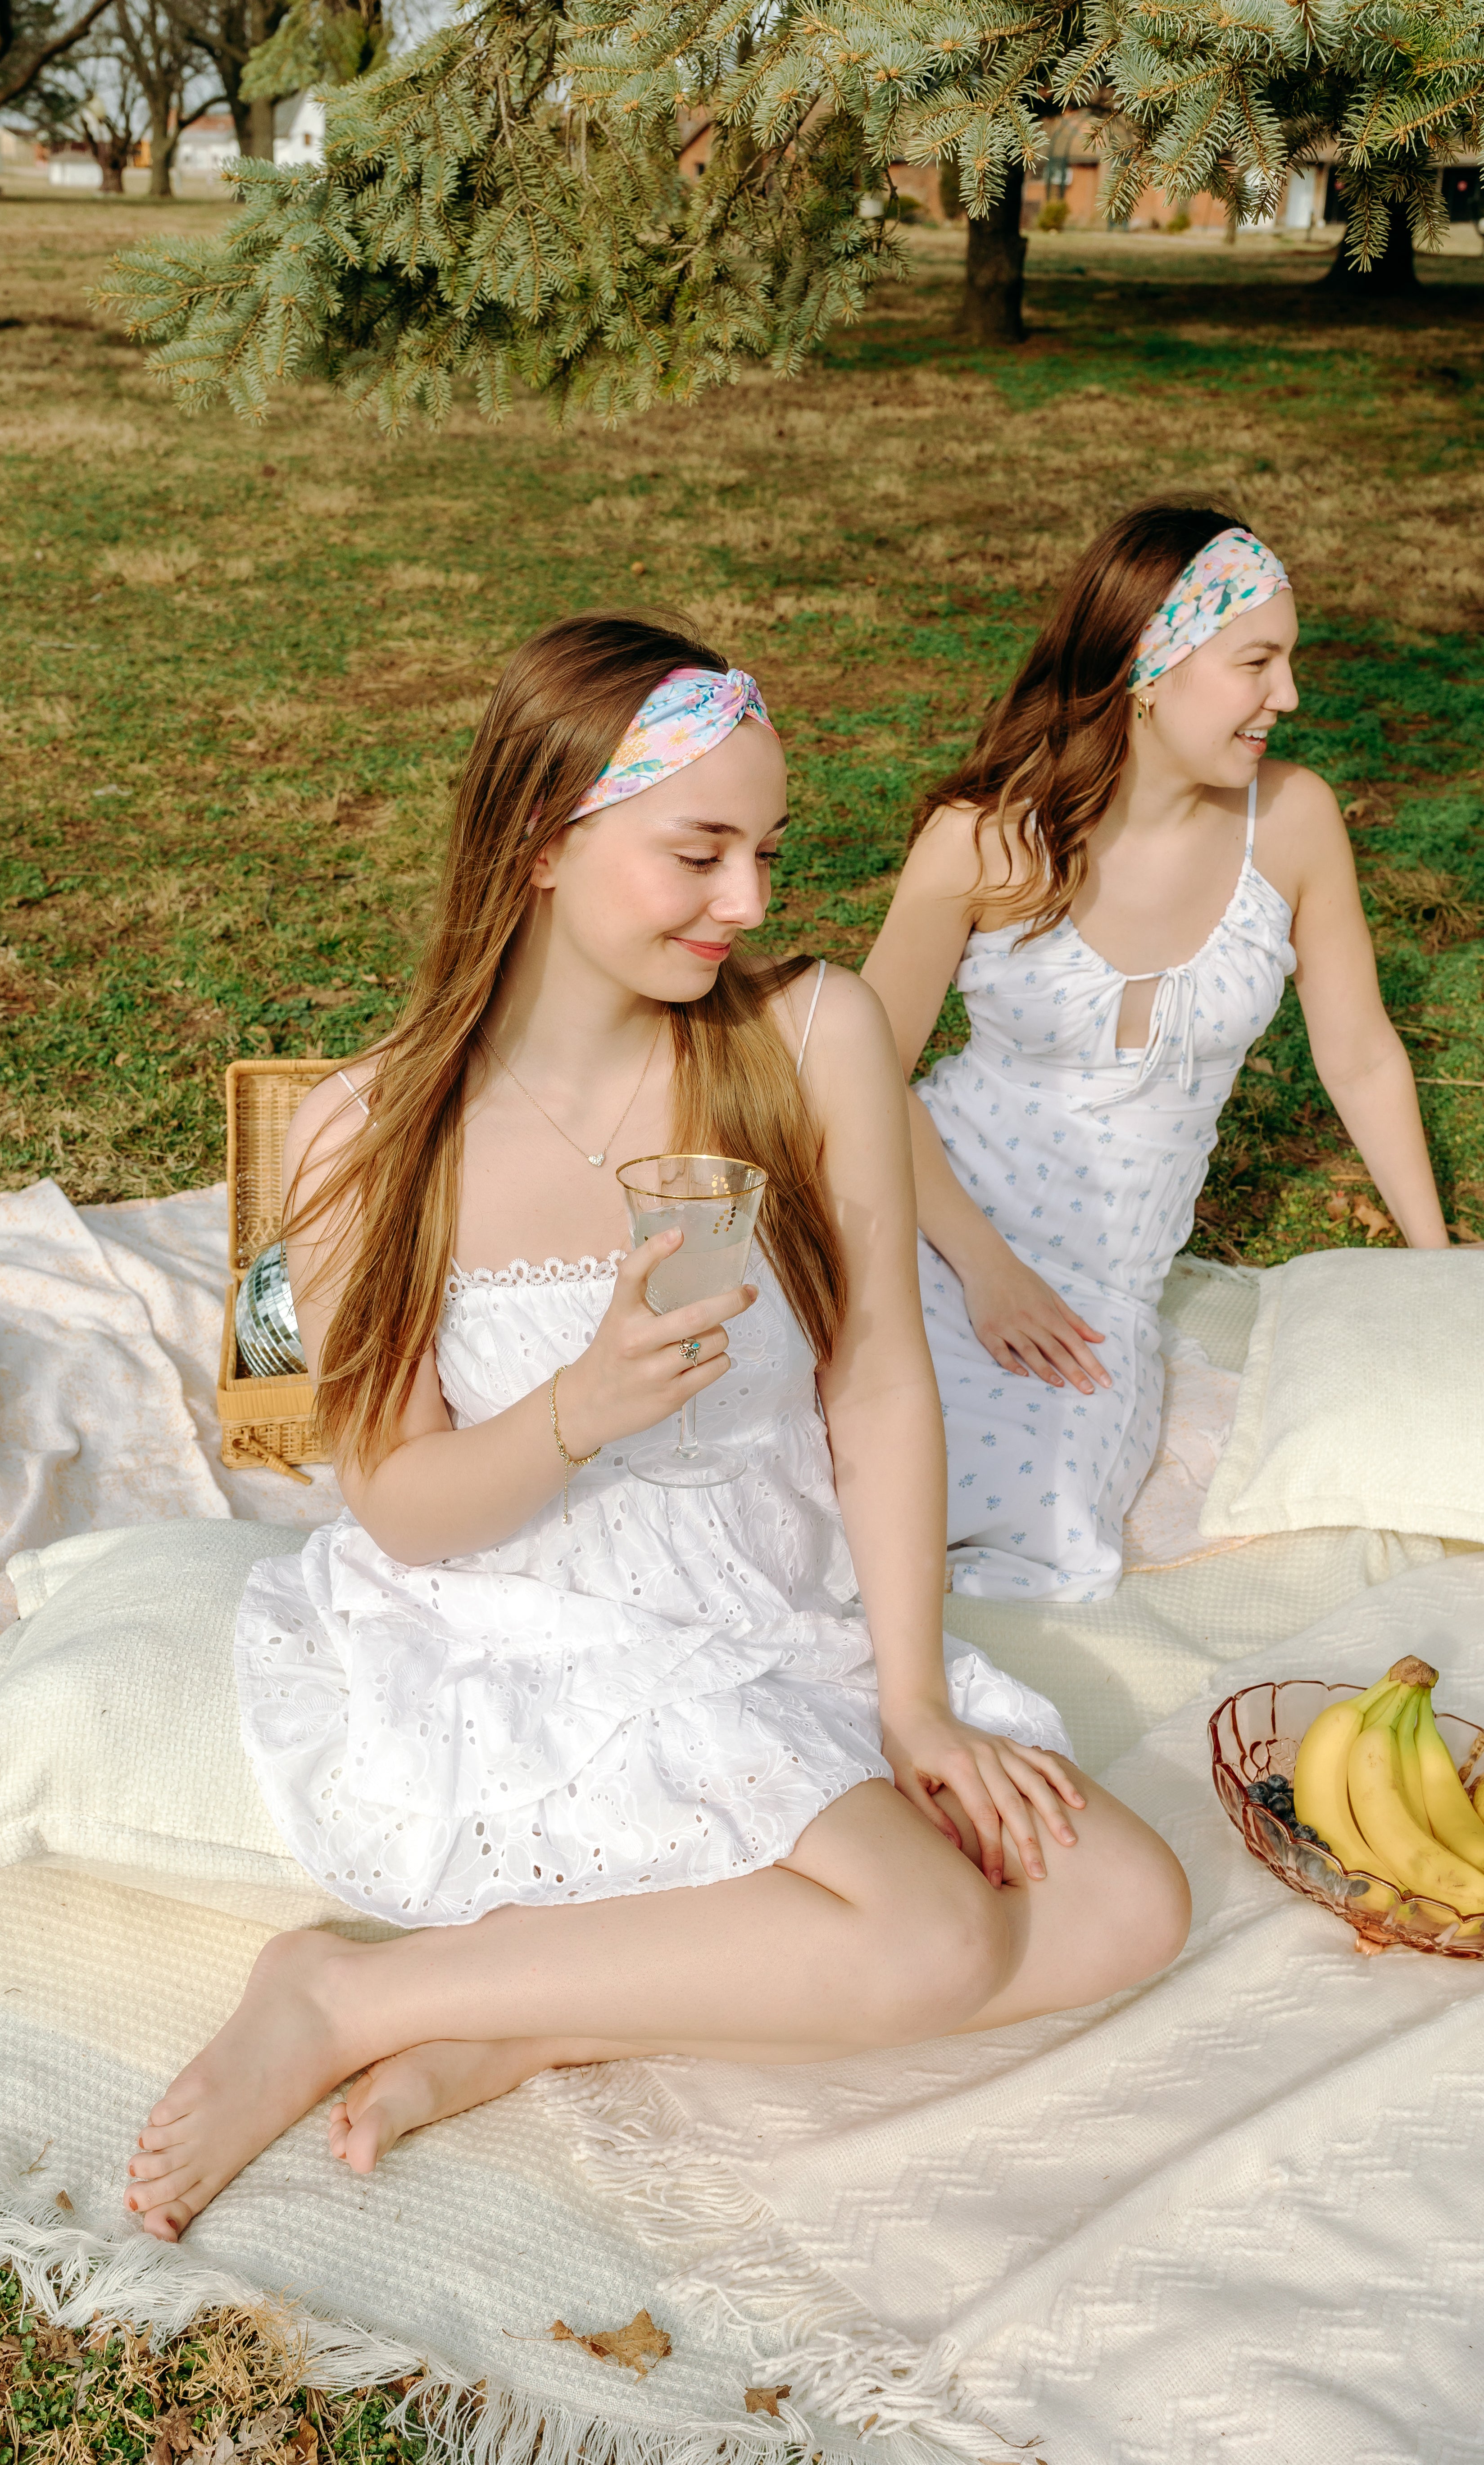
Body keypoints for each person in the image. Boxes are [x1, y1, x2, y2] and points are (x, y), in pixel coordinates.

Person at [123, 614, 1190, 2242]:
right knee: (931, 1933)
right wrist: (579, 1409)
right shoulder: (366, 1136)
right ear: (543, 842)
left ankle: (521, 2023)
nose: (748, 901)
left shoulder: (808, 1039)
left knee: (1127, 1904)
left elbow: (877, 1380)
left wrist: (913, 1697)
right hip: (535, 1616)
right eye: (698, 853)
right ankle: (342, 1993)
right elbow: (399, 1506)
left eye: (766, 850)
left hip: (769, 1600)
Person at [861, 505, 1450, 1605]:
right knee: (837, 1471)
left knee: (1034, 1516)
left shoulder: (1293, 822)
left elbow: (1361, 1055)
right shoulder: (986, 839)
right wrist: (988, 1272)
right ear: (1147, 664)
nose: (1289, 696)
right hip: (931, 1220)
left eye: (1289, 662)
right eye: (1256, 664)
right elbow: (860, 1074)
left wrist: (1436, 1263)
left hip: (1104, 1287)